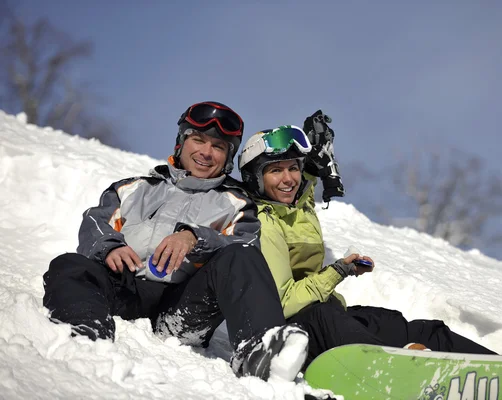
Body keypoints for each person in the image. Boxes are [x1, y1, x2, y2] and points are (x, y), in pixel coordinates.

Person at [238, 113, 502, 366]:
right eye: (276, 171)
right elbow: (284, 301)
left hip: (331, 316)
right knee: (325, 313)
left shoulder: (295, 204)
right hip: (297, 330)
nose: (289, 178)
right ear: (255, 178)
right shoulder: (263, 224)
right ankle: (398, 367)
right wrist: (338, 272)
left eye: (293, 168)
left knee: (424, 331)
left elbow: (307, 181)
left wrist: (319, 158)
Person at [42, 101, 309, 382]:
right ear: (181, 143)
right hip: (123, 289)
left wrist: (195, 237)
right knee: (69, 264)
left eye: (218, 147)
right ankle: (86, 337)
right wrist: (110, 246)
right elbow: (96, 222)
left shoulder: (236, 204)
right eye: (198, 140)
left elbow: (245, 245)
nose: (206, 152)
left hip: (183, 308)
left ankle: (261, 352)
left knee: (241, 255)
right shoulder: (134, 189)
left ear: (227, 157)